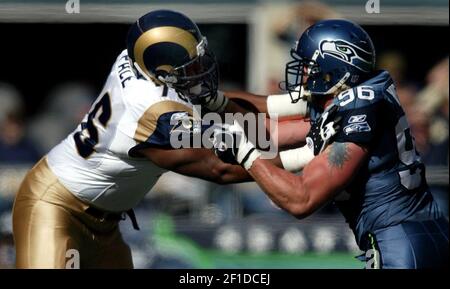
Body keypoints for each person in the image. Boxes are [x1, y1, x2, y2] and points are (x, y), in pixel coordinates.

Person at [12, 10, 256, 269]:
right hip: (56, 204)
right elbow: (218, 164)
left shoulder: (139, 67)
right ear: (163, 69)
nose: (200, 68)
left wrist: (285, 107)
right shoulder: (151, 110)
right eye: (190, 64)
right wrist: (291, 157)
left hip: (104, 222)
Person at [213, 19, 449, 269]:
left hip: (400, 243)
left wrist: (245, 152)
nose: (302, 73)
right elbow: (271, 130)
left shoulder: (358, 111)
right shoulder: (352, 99)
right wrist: (207, 106)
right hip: (419, 232)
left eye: (308, 66)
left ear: (333, 66)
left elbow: (301, 199)